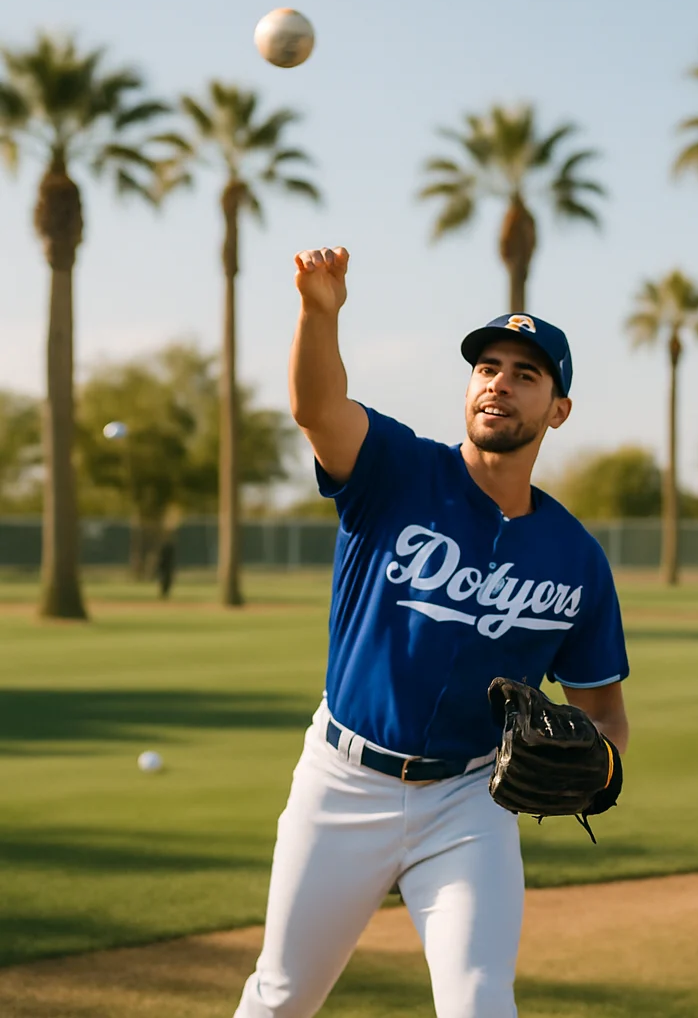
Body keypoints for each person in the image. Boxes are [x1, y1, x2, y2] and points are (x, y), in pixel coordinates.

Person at [234, 246, 631, 1017]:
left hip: (469, 802)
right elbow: (318, 409)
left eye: (526, 373)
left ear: (558, 409)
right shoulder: (396, 471)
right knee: (282, 997)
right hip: (341, 783)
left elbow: (605, 710)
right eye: (487, 366)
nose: (499, 383)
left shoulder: (576, 559)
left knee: (481, 1002)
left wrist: (601, 764)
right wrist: (320, 314)